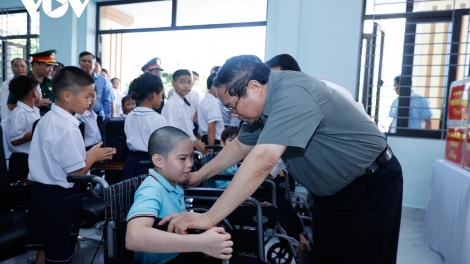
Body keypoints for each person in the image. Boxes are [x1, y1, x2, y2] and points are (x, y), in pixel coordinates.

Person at [160, 55, 403, 264]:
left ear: (254, 87)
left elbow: (263, 159)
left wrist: (209, 217)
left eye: (233, 106)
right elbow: (239, 146)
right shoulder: (262, 107)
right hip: (330, 195)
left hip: (369, 187)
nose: (233, 114)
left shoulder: (292, 93)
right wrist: (199, 176)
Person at [26, 66, 116, 264]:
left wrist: (90, 154)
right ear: (67, 96)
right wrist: (93, 155)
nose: (91, 101)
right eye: (87, 96)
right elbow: (77, 172)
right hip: (59, 198)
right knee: (59, 253)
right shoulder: (67, 128)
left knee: (45, 246)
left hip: (40, 193)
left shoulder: (47, 118)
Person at [126, 126, 233, 264]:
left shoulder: (174, 183)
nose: (190, 164)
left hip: (179, 253)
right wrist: (200, 243)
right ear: (158, 160)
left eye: (191, 157)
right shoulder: (151, 189)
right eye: (182, 159)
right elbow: (134, 237)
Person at [122, 73, 167, 180]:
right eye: (161, 95)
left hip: (131, 162)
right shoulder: (158, 119)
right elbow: (163, 146)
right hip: (151, 164)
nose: (161, 99)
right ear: (154, 95)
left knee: (131, 195)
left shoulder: (129, 116)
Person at [161, 69, 206, 154]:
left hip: (185, 147)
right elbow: (173, 133)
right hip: (175, 149)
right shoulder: (172, 105)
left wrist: (197, 141)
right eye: (182, 82)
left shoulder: (185, 104)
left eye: (189, 82)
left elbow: (189, 129)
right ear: (173, 84)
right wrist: (195, 143)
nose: (186, 86)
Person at [6, 75, 41, 181]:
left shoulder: (34, 110)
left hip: (32, 157)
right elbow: (15, 140)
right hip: (22, 160)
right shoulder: (19, 112)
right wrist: (35, 131)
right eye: (39, 91)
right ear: (34, 93)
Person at [7, 50, 57, 115]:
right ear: (35, 65)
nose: (50, 70)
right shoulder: (22, 82)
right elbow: (11, 106)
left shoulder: (51, 82)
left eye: (52, 66)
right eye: (47, 66)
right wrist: (34, 104)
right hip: (29, 120)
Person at [1, 58, 29, 160]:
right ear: (11, 68)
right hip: (10, 121)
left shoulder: (32, 84)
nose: (19, 69)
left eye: (22, 66)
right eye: (16, 66)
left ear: (27, 67)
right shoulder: (6, 84)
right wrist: (5, 124)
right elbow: (5, 107)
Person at [78, 51, 114, 118]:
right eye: (84, 61)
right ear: (79, 63)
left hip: (97, 116)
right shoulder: (73, 79)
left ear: (94, 64)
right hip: (78, 115)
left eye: (89, 61)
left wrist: (107, 119)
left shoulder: (103, 80)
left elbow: (106, 102)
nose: (86, 63)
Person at [197, 73, 224, 146]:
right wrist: (211, 147)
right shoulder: (213, 102)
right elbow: (211, 127)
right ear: (214, 86)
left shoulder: (204, 101)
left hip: (206, 138)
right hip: (213, 140)